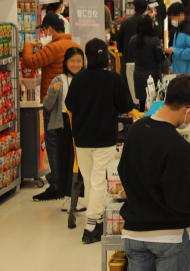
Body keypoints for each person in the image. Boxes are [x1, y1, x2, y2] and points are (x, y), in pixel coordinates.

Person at [119, 74, 190, 271]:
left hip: (133, 234)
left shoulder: (136, 129)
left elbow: (126, 172)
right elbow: (180, 199)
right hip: (168, 237)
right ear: (188, 110)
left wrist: (187, 161)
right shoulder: (177, 145)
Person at [65, 39, 140, 244]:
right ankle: (90, 227)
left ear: (86, 57)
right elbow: (126, 104)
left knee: (90, 181)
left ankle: (97, 220)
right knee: (98, 182)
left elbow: (68, 104)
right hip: (104, 139)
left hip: (81, 138)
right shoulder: (113, 79)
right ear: (106, 56)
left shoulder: (78, 79)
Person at [22, 12, 82, 202]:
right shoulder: (76, 45)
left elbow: (30, 62)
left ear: (49, 29)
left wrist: (29, 45)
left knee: (54, 145)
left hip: (55, 103)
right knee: (69, 147)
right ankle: (65, 183)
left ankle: (56, 185)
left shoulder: (53, 47)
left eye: (45, 29)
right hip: (74, 104)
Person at [42, 47, 86, 212]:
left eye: (78, 61)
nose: (75, 64)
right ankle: (67, 198)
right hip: (62, 124)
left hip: (80, 123)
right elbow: (47, 105)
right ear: (66, 62)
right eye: (72, 61)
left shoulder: (84, 78)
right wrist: (53, 92)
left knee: (78, 161)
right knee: (63, 160)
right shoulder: (58, 79)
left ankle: (76, 197)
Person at [129, 15, 166, 111]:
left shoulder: (133, 40)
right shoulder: (154, 41)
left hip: (139, 75)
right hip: (153, 75)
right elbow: (160, 58)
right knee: (154, 104)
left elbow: (130, 55)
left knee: (142, 103)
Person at [116, 0, 149, 83]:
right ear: (146, 9)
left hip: (128, 58)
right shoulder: (149, 23)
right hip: (145, 60)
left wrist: (122, 51)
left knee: (127, 84)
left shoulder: (125, 22)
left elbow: (119, 41)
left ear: (134, 7)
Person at [164, 2, 190, 74]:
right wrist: (172, 67)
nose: (172, 21)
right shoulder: (177, 29)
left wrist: (174, 51)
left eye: (173, 18)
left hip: (189, 73)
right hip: (179, 73)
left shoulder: (189, 30)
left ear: (181, 14)